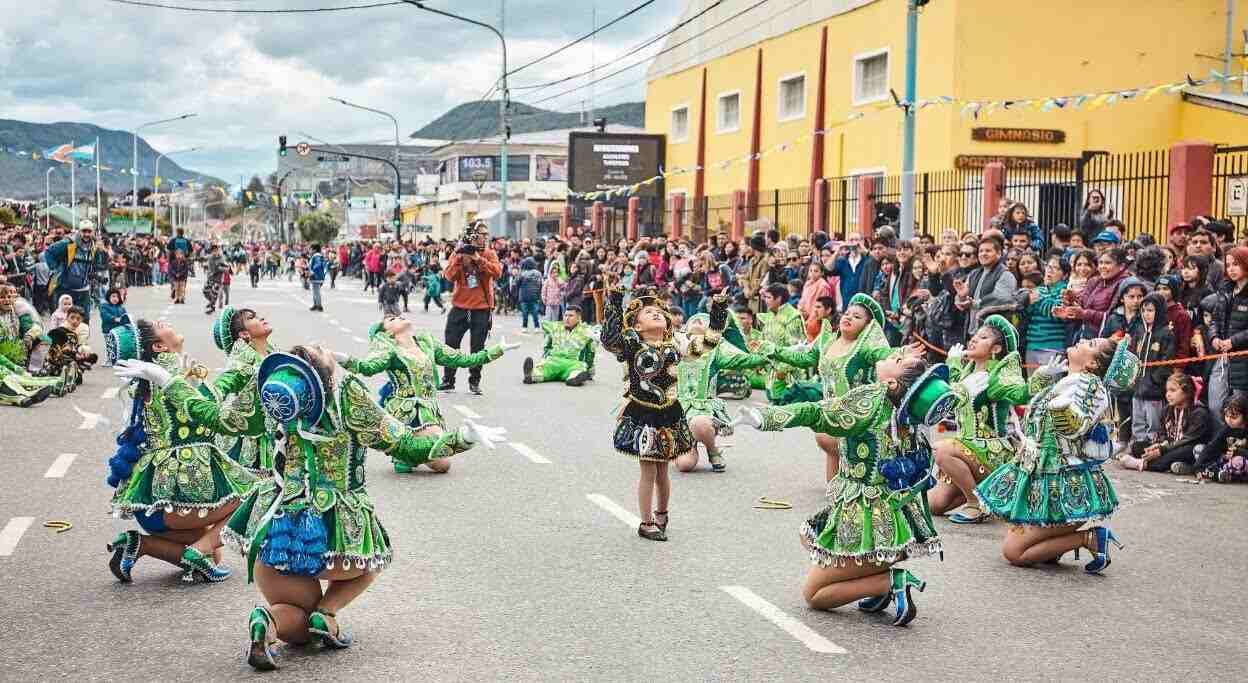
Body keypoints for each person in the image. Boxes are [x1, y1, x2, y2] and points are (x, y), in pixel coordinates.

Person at [217, 347, 502, 670]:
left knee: (295, 623)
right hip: (335, 531)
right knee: (370, 563)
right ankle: (326, 614)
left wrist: (171, 383)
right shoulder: (347, 398)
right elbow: (406, 445)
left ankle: (266, 623)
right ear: (324, 376)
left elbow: (221, 419)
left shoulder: (275, 401)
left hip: (276, 527)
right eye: (318, 351)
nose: (323, 347)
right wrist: (461, 437)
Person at [736, 353, 953, 626]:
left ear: (891, 384)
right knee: (810, 535)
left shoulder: (872, 401)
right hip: (898, 522)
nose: (894, 353)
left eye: (898, 360)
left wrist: (764, 417)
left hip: (867, 517)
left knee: (815, 595)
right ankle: (877, 583)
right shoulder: (909, 416)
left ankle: (888, 582)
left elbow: (816, 412)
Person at [105, 320, 258, 585]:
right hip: (177, 497)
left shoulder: (146, 377)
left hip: (150, 504)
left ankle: (138, 544)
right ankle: (197, 552)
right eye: (157, 325)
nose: (162, 321)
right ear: (159, 346)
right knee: (258, 496)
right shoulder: (171, 371)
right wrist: (239, 369)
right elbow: (210, 409)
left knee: (215, 558)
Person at [976, 338, 1138, 573]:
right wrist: (1044, 378)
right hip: (1042, 479)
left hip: (1065, 487)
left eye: (1090, 343)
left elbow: (1075, 427)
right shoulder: (1069, 380)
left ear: (1092, 364)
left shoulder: (1090, 386)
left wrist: (1064, 411)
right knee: (1015, 534)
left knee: (1014, 552)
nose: (1082, 339)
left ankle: (1091, 539)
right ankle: (1054, 547)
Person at [600, 282, 698, 542]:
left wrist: (720, 312)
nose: (655, 313)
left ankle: (662, 514)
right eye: (647, 313)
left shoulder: (675, 344)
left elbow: (705, 346)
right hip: (643, 413)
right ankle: (645, 522)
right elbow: (609, 339)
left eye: (659, 312)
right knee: (649, 471)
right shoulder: (632, 344)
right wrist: (614, 299)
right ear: (638, 326)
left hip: (669, 412)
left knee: (663, 471)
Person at [764, 294, 898, 482]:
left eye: (857, 317)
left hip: (860, 421)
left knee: (828, 437)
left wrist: (902, 353)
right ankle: (839, 480)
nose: (849, 317)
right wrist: (772, 350)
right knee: (824, 437)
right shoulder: (826, 341)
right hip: (833, 414)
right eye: (847, 313)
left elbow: (886, 354)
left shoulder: (864, 349)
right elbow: (805, 359)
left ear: (868, 327)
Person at [929, 315, 1030, 523]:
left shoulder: (996, 378)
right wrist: (953, 363)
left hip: (992, 452)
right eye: (974, 336)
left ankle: (977, 503)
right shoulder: (968, 373)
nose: (973, 339)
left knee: (942, 449)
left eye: (983, 338)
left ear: (995, 349)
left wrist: (1041, 379)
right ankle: (980, 492)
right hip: (966, 451)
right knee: (935, 505)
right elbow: (953, 395)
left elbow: (1020, 392)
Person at [673, 302, 769, 473]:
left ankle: (712, 449)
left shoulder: (716, 350)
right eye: (693, 320)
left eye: (703, 321)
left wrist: (768, 355)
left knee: (700, 424)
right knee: (684, 465)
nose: (697, 321)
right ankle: (690, 444)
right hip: (679, 413)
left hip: (705, 412)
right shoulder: (675, 346)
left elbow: (744, 360)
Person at [206, 306, 278, 474]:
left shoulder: (272, 352)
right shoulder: (241, 360)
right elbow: (223, 383)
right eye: (252, 317)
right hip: (254, 442)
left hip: (279, 435)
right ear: (244, 334)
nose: (261, 318)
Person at [441, 223, 502, 396]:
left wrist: (478, 259)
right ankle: (448, 380)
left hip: (481, 309)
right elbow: (448, 276)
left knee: (477, 348)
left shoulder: (489, 253)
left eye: (486, 234)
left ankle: (474, 381)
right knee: (451, 345)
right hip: (459, 307)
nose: (485, 237)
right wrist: (460, 260)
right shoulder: (458, 253)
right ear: (472, 236)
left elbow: (497, 273)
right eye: (481, 234)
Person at [1119, 373, 1213, 473]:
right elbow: (1163, 434)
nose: (1168, 394)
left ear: (1187, 392)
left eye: (1173, 390)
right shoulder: (1167, 410)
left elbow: (1188, 440)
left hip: (1187, 449)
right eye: (1167, 391)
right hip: (1169, 447)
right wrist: (1158, 445)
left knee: (1185, 451)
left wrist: (1162, 449)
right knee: (1137, 447)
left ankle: (1144, 464)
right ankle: (1180, 466)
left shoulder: (1199, 413)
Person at [955, 235, 1016, 341]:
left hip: (994, 335)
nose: (983, 254)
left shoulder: (1005, 274)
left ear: (999, 253)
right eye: (981, 251)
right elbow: (964, 300)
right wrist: (961, 297)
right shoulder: (974, 274)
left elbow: (1002, 299)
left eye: (988, 251)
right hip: (973, 332)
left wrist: (976, 303)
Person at [43, 220, 107, 320]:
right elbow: (49, 252)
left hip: (83, 289)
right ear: (79, 231)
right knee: (64, 321)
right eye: (84, 231)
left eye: (89, 231)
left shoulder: (94, 246)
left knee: (84, 321)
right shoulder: (68, 243)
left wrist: (101, 253)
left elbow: (98, 265)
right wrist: (55, 268)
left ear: (93, 232)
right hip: (66, 289)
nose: (86, 234)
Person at [757, 283, 808, 404]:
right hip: (771, 370)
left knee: (783, 402)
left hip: (789, 372)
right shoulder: (769, 316)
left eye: (768, 297)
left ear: (778, 298)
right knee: (772, 397)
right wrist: (759, 359)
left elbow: (797, 348)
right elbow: (763, 339)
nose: (765, 301)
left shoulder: (792, 317)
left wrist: (784, 369)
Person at [523, 305, 596, 387]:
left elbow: (591, 352)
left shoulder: (586, 331)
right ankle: (531, 376)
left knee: (578, 369)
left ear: (579, 318)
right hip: (554, 360)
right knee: (544, 368)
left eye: (571, 316)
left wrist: (590, 370)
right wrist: (545, 358)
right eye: (565, 315)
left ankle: (574, 379)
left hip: (573, 363)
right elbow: (547, 345)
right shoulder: (555, 327)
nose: (567, 318)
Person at [1193, 395, 1248, 482]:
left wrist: (1239, 452)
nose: (1229, 420)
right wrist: (1198, 468)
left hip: (1241, 462)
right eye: (1226, 416)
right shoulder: (1226, 429)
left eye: (1234, 417)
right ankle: (1214, 472)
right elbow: (1212, 446)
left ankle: (1217, 473)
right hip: (1225, 460)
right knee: (1199, 449)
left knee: (1238, 461)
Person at [0, 283, 44, 370]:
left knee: (44, 339)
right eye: (2, 297)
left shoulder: (17, 310)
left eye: (9, 297)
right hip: (3, 352)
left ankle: (35, 369)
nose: (7, 300)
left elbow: (36, 326)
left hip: (16, 348)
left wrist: (30, 336)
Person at [308, 244, 326, 312]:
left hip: (316, 276)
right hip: (316, 276)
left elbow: (318, 265)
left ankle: (319, 305)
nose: (309, 250)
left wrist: (313, 271)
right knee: (315, 291)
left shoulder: (317, 256)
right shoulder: (317, 256)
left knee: (316, 291)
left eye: (310, 249)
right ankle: (315, 304)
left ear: (314, 250)